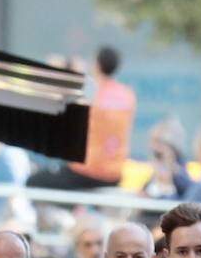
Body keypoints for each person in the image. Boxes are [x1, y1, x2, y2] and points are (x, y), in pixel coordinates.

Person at [30, 46, 136, 190]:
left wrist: (64, 68)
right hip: (115, 174)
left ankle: (69, 212)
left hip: (87, 171)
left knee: (33, 181)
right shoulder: (128, 95)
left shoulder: (90, 92)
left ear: (97, 65)